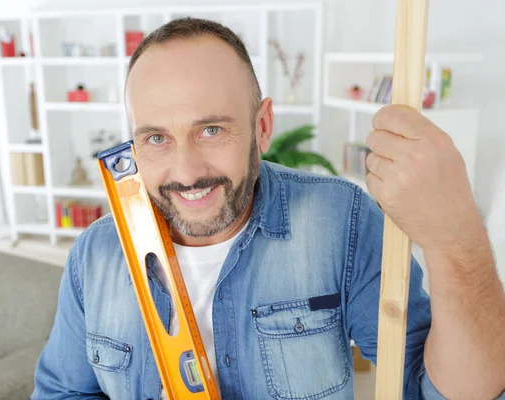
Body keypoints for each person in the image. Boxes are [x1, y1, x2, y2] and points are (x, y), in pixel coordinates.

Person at [32, 18, 505, 400]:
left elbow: (441, 393)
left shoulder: (341, 223)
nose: (187, 171)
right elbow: (62, 391)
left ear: (262, 126)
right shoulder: (94, 256)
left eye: (211, 130)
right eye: (156, 138)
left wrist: (456, 237)